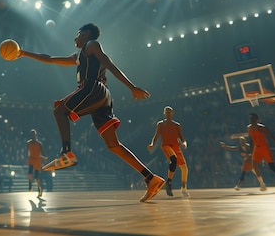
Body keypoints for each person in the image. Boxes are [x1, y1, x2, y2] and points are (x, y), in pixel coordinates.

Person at [17, 23, 165, 202]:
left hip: (93, 88)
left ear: (86, 34)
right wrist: (23, 53)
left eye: (77, 34)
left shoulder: (91, 45)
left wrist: (131, 87)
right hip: (101, 97)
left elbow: (109, 64)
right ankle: (151, 178)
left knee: (59, 111)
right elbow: (49, 58)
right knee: (113, 145)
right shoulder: (78, 56)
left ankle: (66, 153)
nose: (75, 38)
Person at [147, 106, 189, 197]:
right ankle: (169, 183)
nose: (168, 114)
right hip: (166, 145)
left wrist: (184, 143)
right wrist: (152, 144)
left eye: (169, 112)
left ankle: (184, 189)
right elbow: (156, 136)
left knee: (184, 169)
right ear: (164, 114)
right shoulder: (161, 124)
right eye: (166, 113)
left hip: (176, 147)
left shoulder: (177, 125)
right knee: (173, 159)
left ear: (172, 113)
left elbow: (182, 138)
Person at [247, 113, 275, 191]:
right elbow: (251, 139)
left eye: (253, 119)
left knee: (272, 166)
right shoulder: (249, 128)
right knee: (254, 165)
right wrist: (250, 151)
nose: (251, 120)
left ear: (256, 119)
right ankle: (262, 184)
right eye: (250, 119)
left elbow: (272, 137)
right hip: (256, 148)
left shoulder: (261, 128)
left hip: (264, 148)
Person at [26, 129, 47, 197]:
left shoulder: (39, 144)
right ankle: (30, 184)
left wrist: (45, 158)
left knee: (36, 177)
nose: (33, 136)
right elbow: (27, 151)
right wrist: (26, 158)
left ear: (36, 135)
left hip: (37, 161)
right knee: (29, 172)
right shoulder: (28, 143)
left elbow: (43, 152)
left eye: (34, 135)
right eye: (32, 135)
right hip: (31, 159)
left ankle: (39, 188)